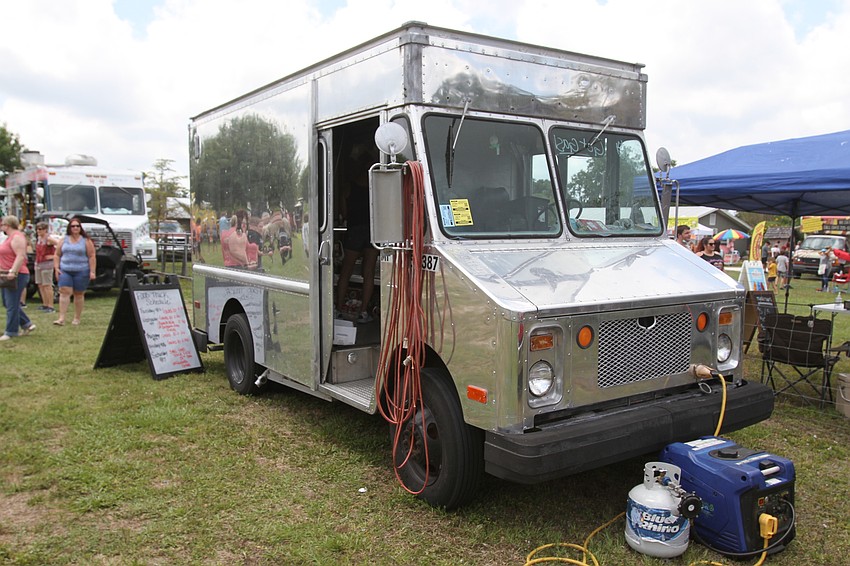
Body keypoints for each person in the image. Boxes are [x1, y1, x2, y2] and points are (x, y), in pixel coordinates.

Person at [336, 153, 378, 323]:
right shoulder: (376, 188)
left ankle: (338, 308)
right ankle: (363, 312)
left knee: (346, 271)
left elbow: (344, 212)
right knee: (368, 273)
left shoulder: (349, 186)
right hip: (373, 231)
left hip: (354, 231)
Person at [53, 217, 96, 326]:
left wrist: (92, 271)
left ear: (80, 228)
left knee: (78, 294)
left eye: (77, 226)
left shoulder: (86, 241)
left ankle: (77, 318)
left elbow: (91, 256)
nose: (75, 228)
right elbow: (57, 254)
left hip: (82, 271)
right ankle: (61, 318)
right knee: (64, 292)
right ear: (69, 228)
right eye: (73, 226)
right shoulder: (63, 240)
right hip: (65, 270)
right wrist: (56, 268)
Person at [0, 216, 36, 341]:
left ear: (8, 225)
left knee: (12, 304)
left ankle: (11, 331)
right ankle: (27, 323)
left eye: (2, 224)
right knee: (7, 302)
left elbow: (20, 256)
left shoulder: (17, 237)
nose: (1, 226)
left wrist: (13, 271)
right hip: (6, 274)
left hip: (17, 274)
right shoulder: (9, 238)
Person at [34, 222, 57, 313]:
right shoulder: (39, 239)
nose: (38, 231)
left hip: (47, 265)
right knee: (40, 284)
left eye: (40, 229)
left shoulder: (49, 239)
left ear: (45, 230)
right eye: (37, 229)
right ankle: (45, 303)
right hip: (39, 264)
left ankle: (51, 305)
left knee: (47, 285)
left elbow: (60, 245)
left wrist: (53, 256)